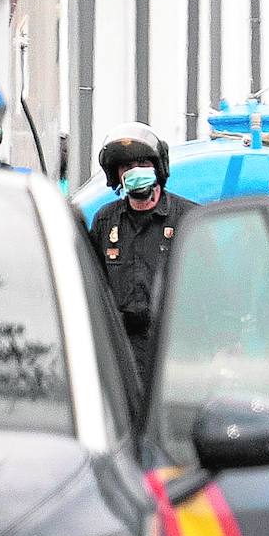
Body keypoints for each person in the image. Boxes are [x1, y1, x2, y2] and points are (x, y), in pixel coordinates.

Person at [90, 123, 200, 384]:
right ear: (117, 175)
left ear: (158, 168)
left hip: (174, 352)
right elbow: (93, 285)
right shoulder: (106, 221)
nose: (134, 171)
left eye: (142, 163)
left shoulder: (188, 218)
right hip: (121, 354)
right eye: (126, 167)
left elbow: (210, 289)